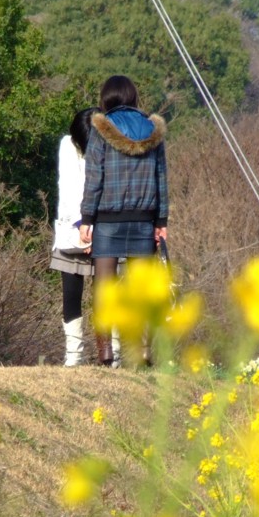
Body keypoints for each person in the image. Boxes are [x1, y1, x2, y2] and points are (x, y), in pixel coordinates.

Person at [79, 75, 168, 367]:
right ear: (133, 97)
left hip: (107, 220)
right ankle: (143, 350)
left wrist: (86, 219)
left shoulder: (100, 130)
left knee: (104, 287)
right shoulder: (154, 131)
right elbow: (161, 179)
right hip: (144, 220)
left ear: (107, 98)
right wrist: (161, 220)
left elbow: (94, 177)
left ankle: (105, 351)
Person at [50, 107, 99, 366]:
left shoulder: (110, 145)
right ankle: (73, 355)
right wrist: (82, 227)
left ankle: (110, 354)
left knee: (107, 295)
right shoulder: (68, 146)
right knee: (70, 293)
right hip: (72, 229)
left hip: (104, 230)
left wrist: (95, 228)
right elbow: (67, 188)